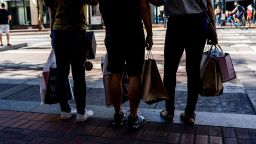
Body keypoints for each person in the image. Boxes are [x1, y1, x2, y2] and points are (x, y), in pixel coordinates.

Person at [153, 0, 218, 125]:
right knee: (193, 70)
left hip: (176, 23)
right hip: (198, 23)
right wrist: (213, 29)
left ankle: (169, 110)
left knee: (170, 69)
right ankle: (189, 114)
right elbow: (209, 4)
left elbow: (157, 1)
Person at [99, 0, 153, 129]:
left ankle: (118, 114)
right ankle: (133, 116)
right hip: (133, 32)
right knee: (134, 74)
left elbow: (102, 7)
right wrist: (149, 34)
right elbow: (144, 6)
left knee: (115, 74)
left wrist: (108, 28)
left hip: (113, 32)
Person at [49, 0, 98, 122]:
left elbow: (52, 12)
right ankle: (81, 113)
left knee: (61, 73)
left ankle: (65, 110)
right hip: (75, 32)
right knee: (78, 74)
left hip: (57, 32)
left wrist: (52, 33)